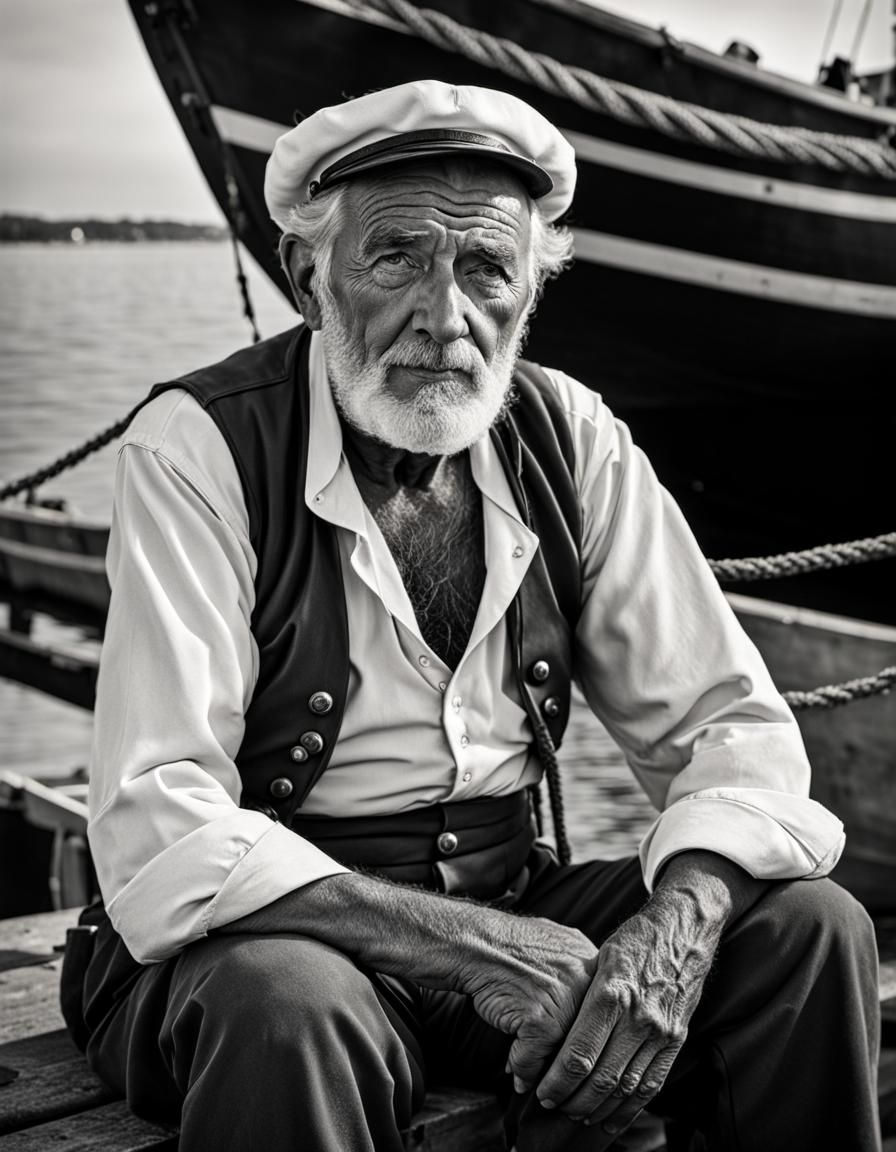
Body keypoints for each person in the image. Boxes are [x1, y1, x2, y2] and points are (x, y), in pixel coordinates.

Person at [63, 80, 881, 1151]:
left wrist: (670, 930)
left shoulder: (568, 435)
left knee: (809, 928)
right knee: (290, 1008)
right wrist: (484, 951)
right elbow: (158, 820)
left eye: (485, 269)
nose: (444, 318)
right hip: (260, 936)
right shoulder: (198, 444)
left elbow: (732, 737)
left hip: (510, 902)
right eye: (397, 257)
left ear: (527, 298)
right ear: (309, 276)